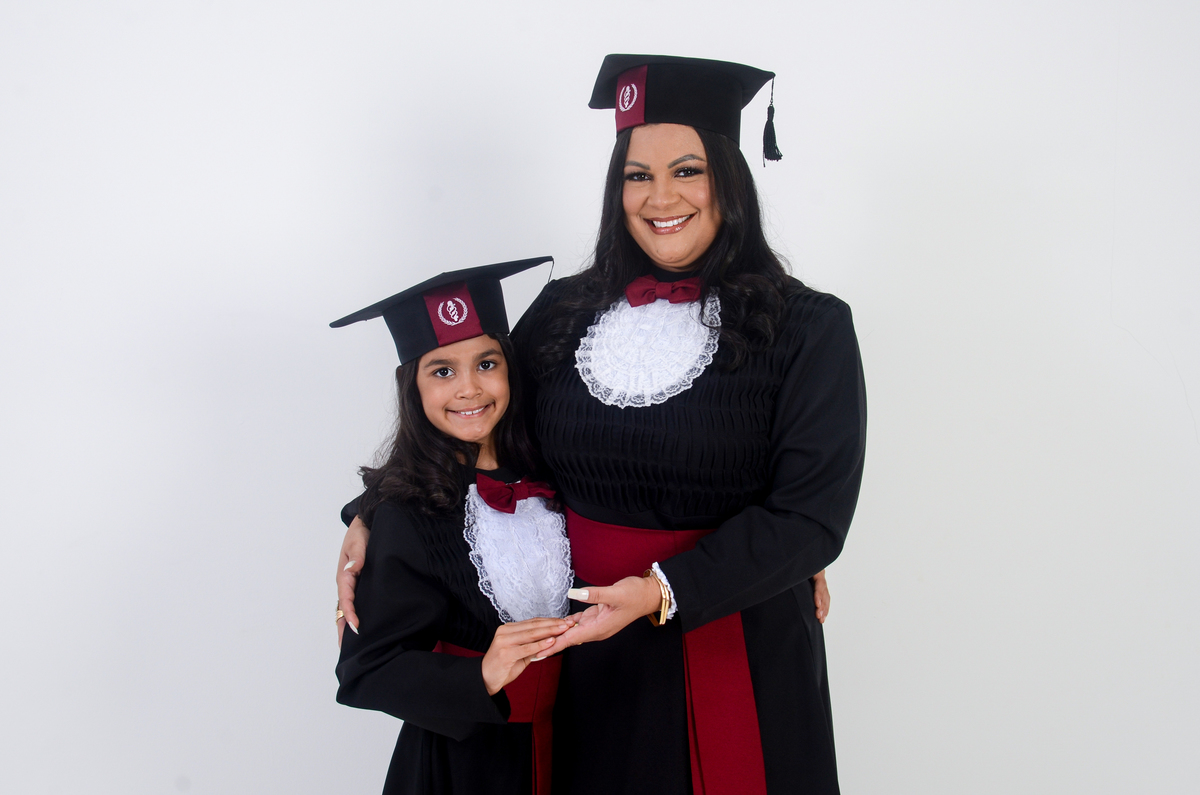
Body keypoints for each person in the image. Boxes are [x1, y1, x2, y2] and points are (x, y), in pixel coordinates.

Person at [340, 55, 866, 795]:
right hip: (584, 648)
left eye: (687, 170)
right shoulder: (562, 310)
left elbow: (810, 514)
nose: (660, 197)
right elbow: (479, 422)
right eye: (636, 175)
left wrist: (664, 589)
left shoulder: (810, 328)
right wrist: (371, 513)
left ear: (729, 179)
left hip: (733, 637)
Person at [332, 257, 575, 795]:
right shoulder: (404, 514)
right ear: (413, 388)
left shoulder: (558, 472)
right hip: (465, 765)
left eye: (486, 363)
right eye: (442, 371)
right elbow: (364, 671)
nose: (469, 388)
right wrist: (481, 675)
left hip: (580, 745)